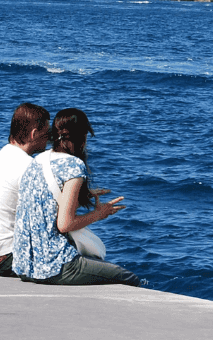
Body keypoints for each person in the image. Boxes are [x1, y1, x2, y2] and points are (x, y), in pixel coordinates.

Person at [12, 107, 138, 286]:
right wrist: (100, 214)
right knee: (129, 278)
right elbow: (65, 224)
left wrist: (82, 195)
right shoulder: (74, 166)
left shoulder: (38, 160)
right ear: (83, 136)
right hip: (53, 266)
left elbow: (46, 204)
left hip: (25, 265)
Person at [0, 102, 49, 276]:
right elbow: (53, 220)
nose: (50, 139)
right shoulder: (28, 166)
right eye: (47, 134)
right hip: (10, 259)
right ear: (34, 134)